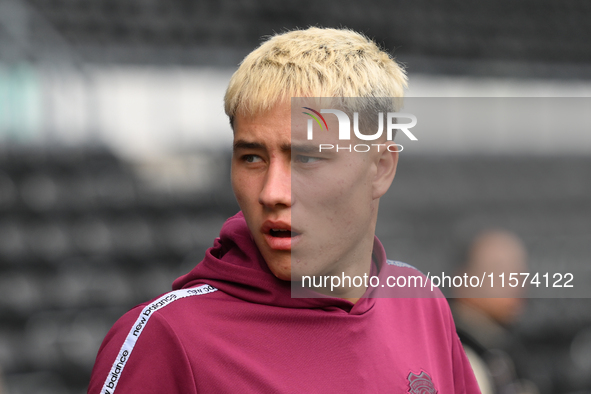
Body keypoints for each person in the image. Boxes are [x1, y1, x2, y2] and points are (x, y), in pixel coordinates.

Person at [88, 27, 480, 393]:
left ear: (380, 168)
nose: (272, 193)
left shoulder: (421, 302)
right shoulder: (166, 338)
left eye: (306, 159)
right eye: (253, 158)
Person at [450, 230, 539, 394]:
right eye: (499, 271)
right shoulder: (455, 353)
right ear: (462, 278)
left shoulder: (501, 347)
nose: (516, 281)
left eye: (519, 271)